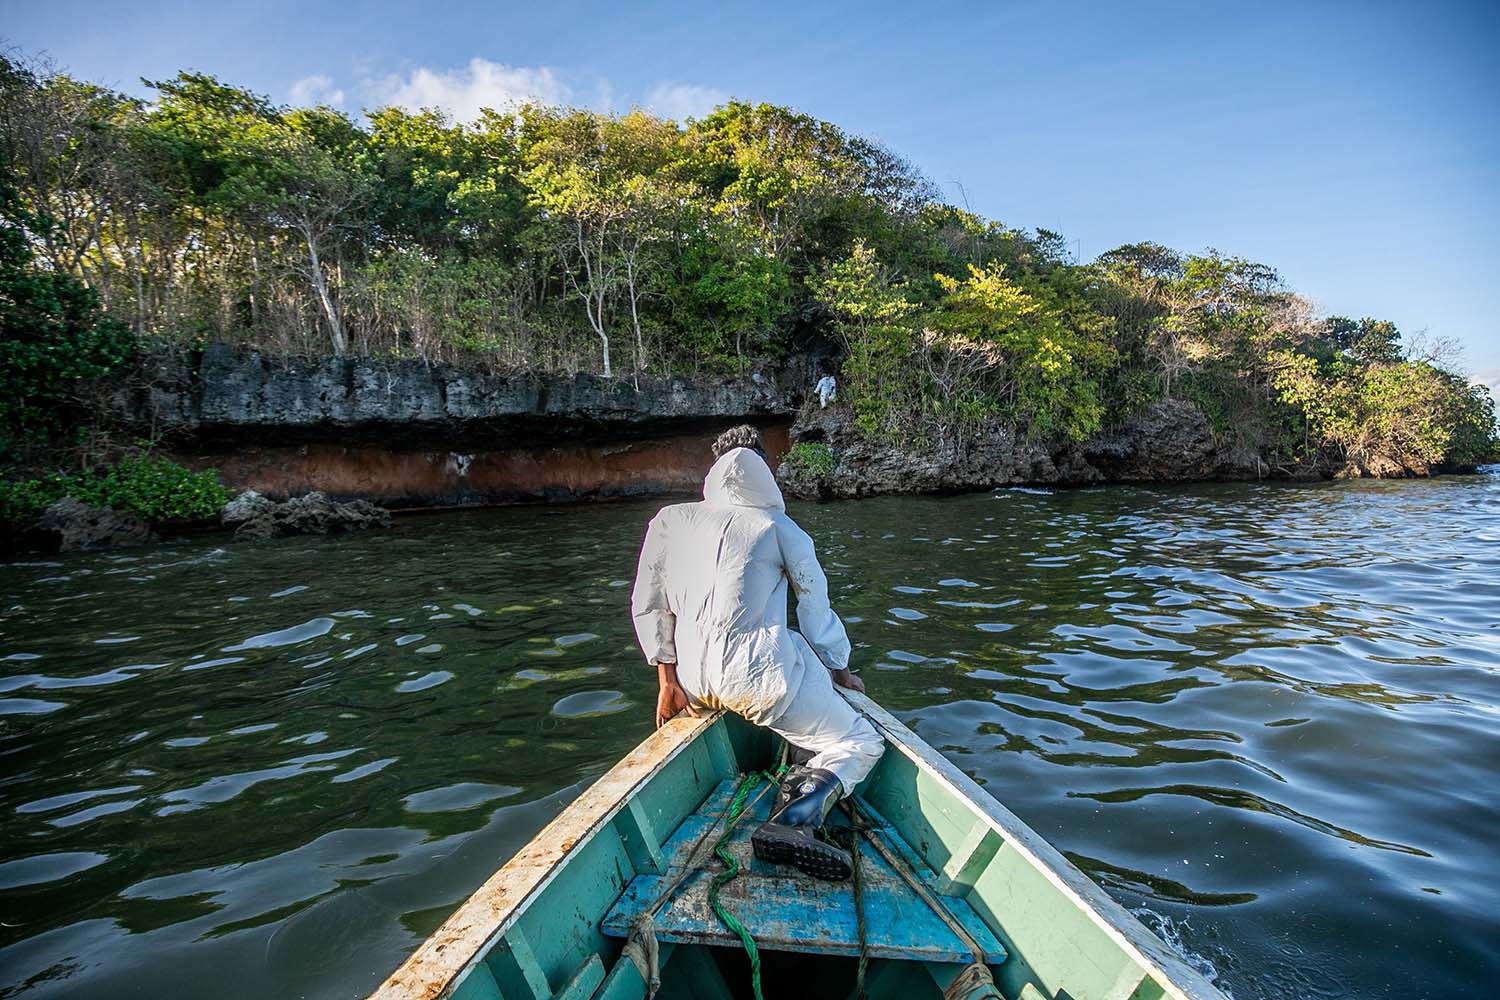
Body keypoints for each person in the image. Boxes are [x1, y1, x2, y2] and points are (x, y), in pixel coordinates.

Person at [630, 424, 882, 881]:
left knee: (797, 653)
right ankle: (794, 818)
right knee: (859, 741)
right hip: (760, 682)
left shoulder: (669, 520)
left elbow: (650, 604)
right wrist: (842, 670)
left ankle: (797, 775)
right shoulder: (781, 528)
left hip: (693, 680)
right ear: (764, 470)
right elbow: (814, 611)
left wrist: (668, 683)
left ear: (713, 471)